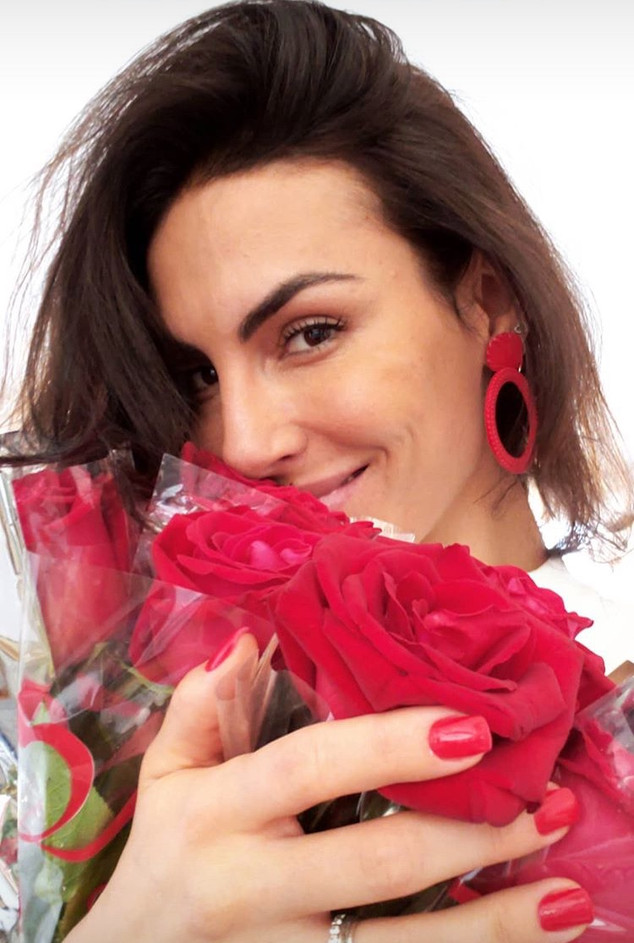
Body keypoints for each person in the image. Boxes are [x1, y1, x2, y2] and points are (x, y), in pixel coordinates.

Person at [3, 1, 633, 940]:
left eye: (309, 333)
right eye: (197, 376)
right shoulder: (114, 713)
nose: (245, 442)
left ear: (487, 301)